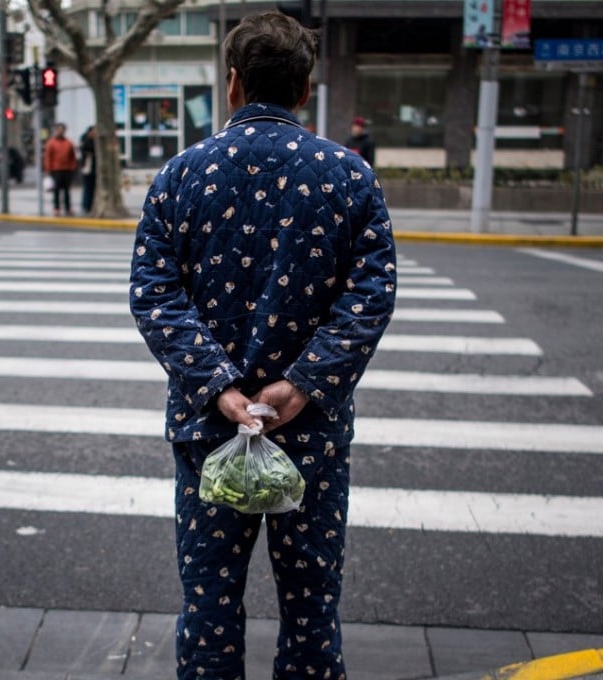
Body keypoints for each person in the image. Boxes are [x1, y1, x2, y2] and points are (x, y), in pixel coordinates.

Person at [129, 11, 397, 680]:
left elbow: (154, 294)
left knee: (210, 599)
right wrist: (303, 382)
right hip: (312, 435)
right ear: (306, 89)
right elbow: (371, 296)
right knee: (310, 604)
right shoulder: (350, 177)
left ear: (233, 85)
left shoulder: (179, 177)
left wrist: (220, 388)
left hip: (207, 432)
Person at [43, 122, 77, 216]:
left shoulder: (69, 142)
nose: (60, 131)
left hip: (67, 169)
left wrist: (73, 167)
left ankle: (68, 207)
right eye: (59, 130)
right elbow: (48, 157)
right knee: (56, 190)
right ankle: (56, 208)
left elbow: (72, 156)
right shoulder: (51, 143)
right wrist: (48, 170)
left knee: (67, 190)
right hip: (55, 169)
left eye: (62, 130)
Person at [79, 125, 97, 214]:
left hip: (93, 169)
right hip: (88, 169)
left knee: (92, 188)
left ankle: (89, 205)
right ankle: (86, 206)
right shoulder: (86, 141)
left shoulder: (92, 141)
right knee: (88, 188)